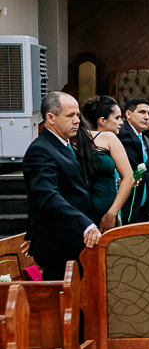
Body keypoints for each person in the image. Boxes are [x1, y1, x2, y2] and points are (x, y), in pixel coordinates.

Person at [23, 92, 101, 280]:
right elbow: (48, 197)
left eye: (77, 115)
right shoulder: (41, 150)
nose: (77, 121)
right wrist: (85, 224)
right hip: (59, 244)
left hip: (73, 241)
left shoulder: (64, 145)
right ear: (51, 118)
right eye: (70, 115)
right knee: (67, 304)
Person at [78, 96, 135, 231]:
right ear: (102, 120)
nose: (121, 123)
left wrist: (112, 213)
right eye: (116, 118)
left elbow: (129, 178)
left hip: (107, 212)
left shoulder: (110, 139)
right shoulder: (105, 137)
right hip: (82, 212)